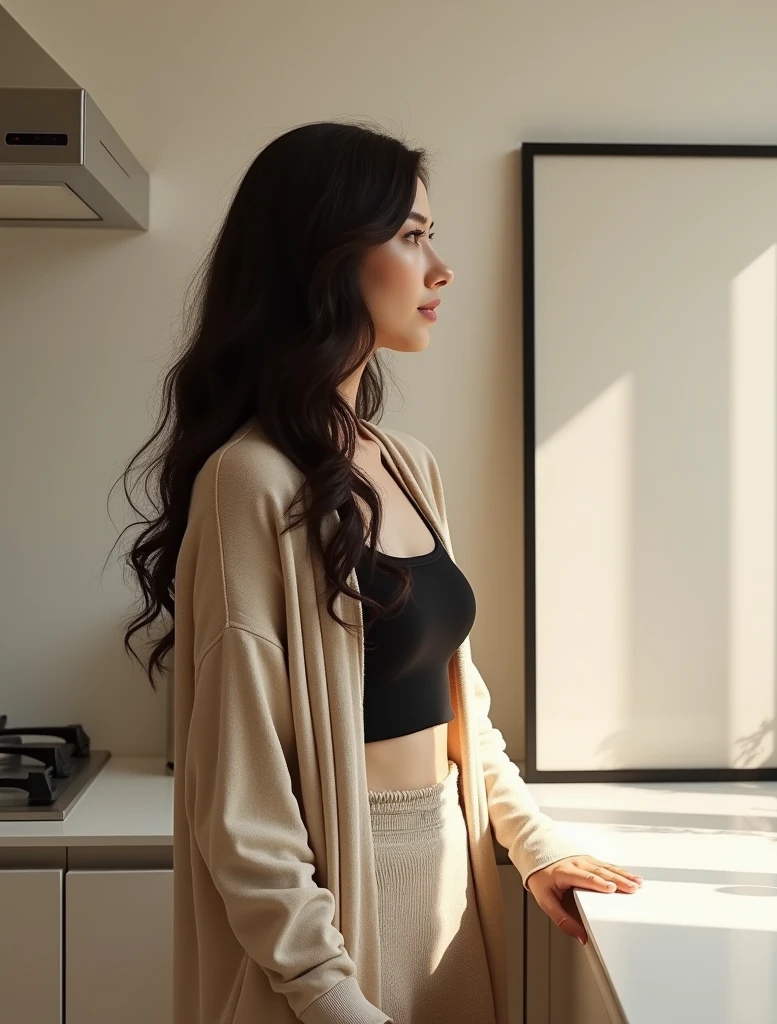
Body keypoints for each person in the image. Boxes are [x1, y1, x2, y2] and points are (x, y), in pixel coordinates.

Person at [115, 120, 642, 1024]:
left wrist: (535, 845)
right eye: (409, 236)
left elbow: (457, 709)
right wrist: (331, 997)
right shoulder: (247, 481)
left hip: (450, 903)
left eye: (429, 235)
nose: (440, 269)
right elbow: (241, 805)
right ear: (323, 261)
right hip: (327, 947)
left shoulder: (408, 464)